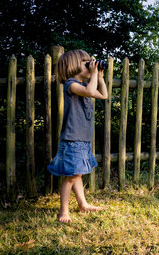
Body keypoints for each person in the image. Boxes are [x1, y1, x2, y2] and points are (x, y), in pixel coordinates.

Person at [47, 49, 108, 223]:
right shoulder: (71, 84)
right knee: (71, 176)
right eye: (85, 62)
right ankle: (63, 211)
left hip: (82, 138)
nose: (90, 64)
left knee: (78, 173)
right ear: (72, 66)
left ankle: (83, 204)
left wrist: (100, 78)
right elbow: (90, 91)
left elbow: (103, 95)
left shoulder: (83, 86)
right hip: (72, 138)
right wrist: (94, 73)